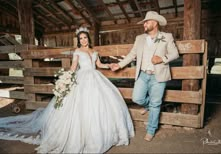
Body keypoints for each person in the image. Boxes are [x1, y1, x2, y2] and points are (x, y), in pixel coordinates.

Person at [0, 27, 134, 153]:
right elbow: (73, 67)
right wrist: (66, 80)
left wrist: (109, 65)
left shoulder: (94, 52)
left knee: (102, 102)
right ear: (79, 40)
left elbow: (98, 65)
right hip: (82, 78)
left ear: (88, 39)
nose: (83, 40)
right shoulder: (77, 51)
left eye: (85, 38)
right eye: (80, 38)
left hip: (95, 76)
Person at [110, 11, 179, 142]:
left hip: (158, 76)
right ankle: (148, 106)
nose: (144, 24)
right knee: (137, 98)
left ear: (155, 22)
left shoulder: (167, 36)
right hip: (142, 74)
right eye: (144, 22)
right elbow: (131, 54)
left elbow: (175, 53)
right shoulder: (139, 38)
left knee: (156, 104)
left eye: (147, 22)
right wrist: (119, 65)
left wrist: (162, 59)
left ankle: (151, 130)